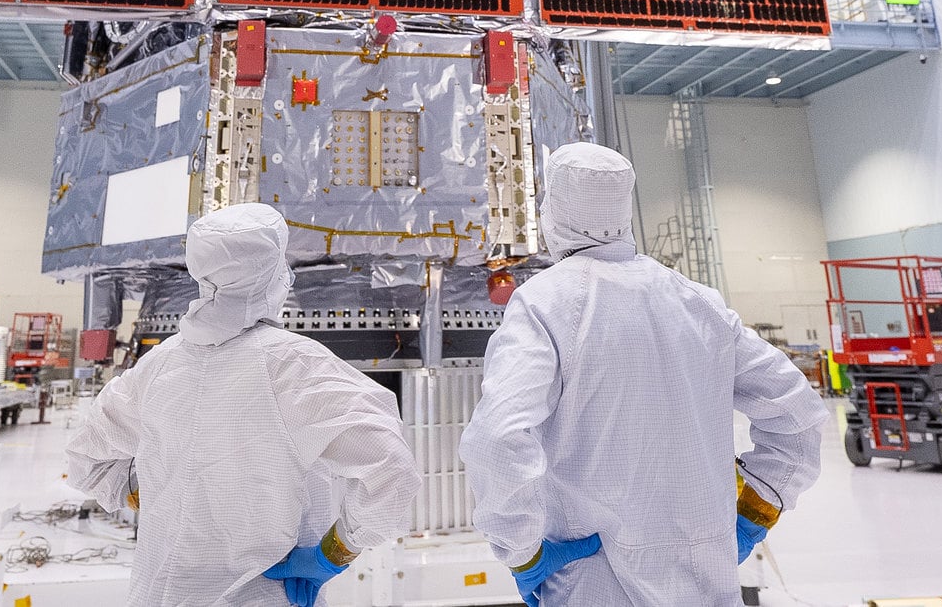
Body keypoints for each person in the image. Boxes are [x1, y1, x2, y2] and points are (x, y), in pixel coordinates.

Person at [460, 142, 826, 607]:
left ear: (553, 212)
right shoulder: (700, 304)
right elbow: (798, 415)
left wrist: (522, 551)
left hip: (593, 580)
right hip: (708, 579)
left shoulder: (545, 304)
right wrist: (754, 511)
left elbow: (497, 438)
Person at [66, 204, 421, 606]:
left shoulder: (158, 366)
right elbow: (391, 472)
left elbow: (85, 459)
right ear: (273, 274)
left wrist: (156, 495)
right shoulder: (294, 366)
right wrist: (332, 553)